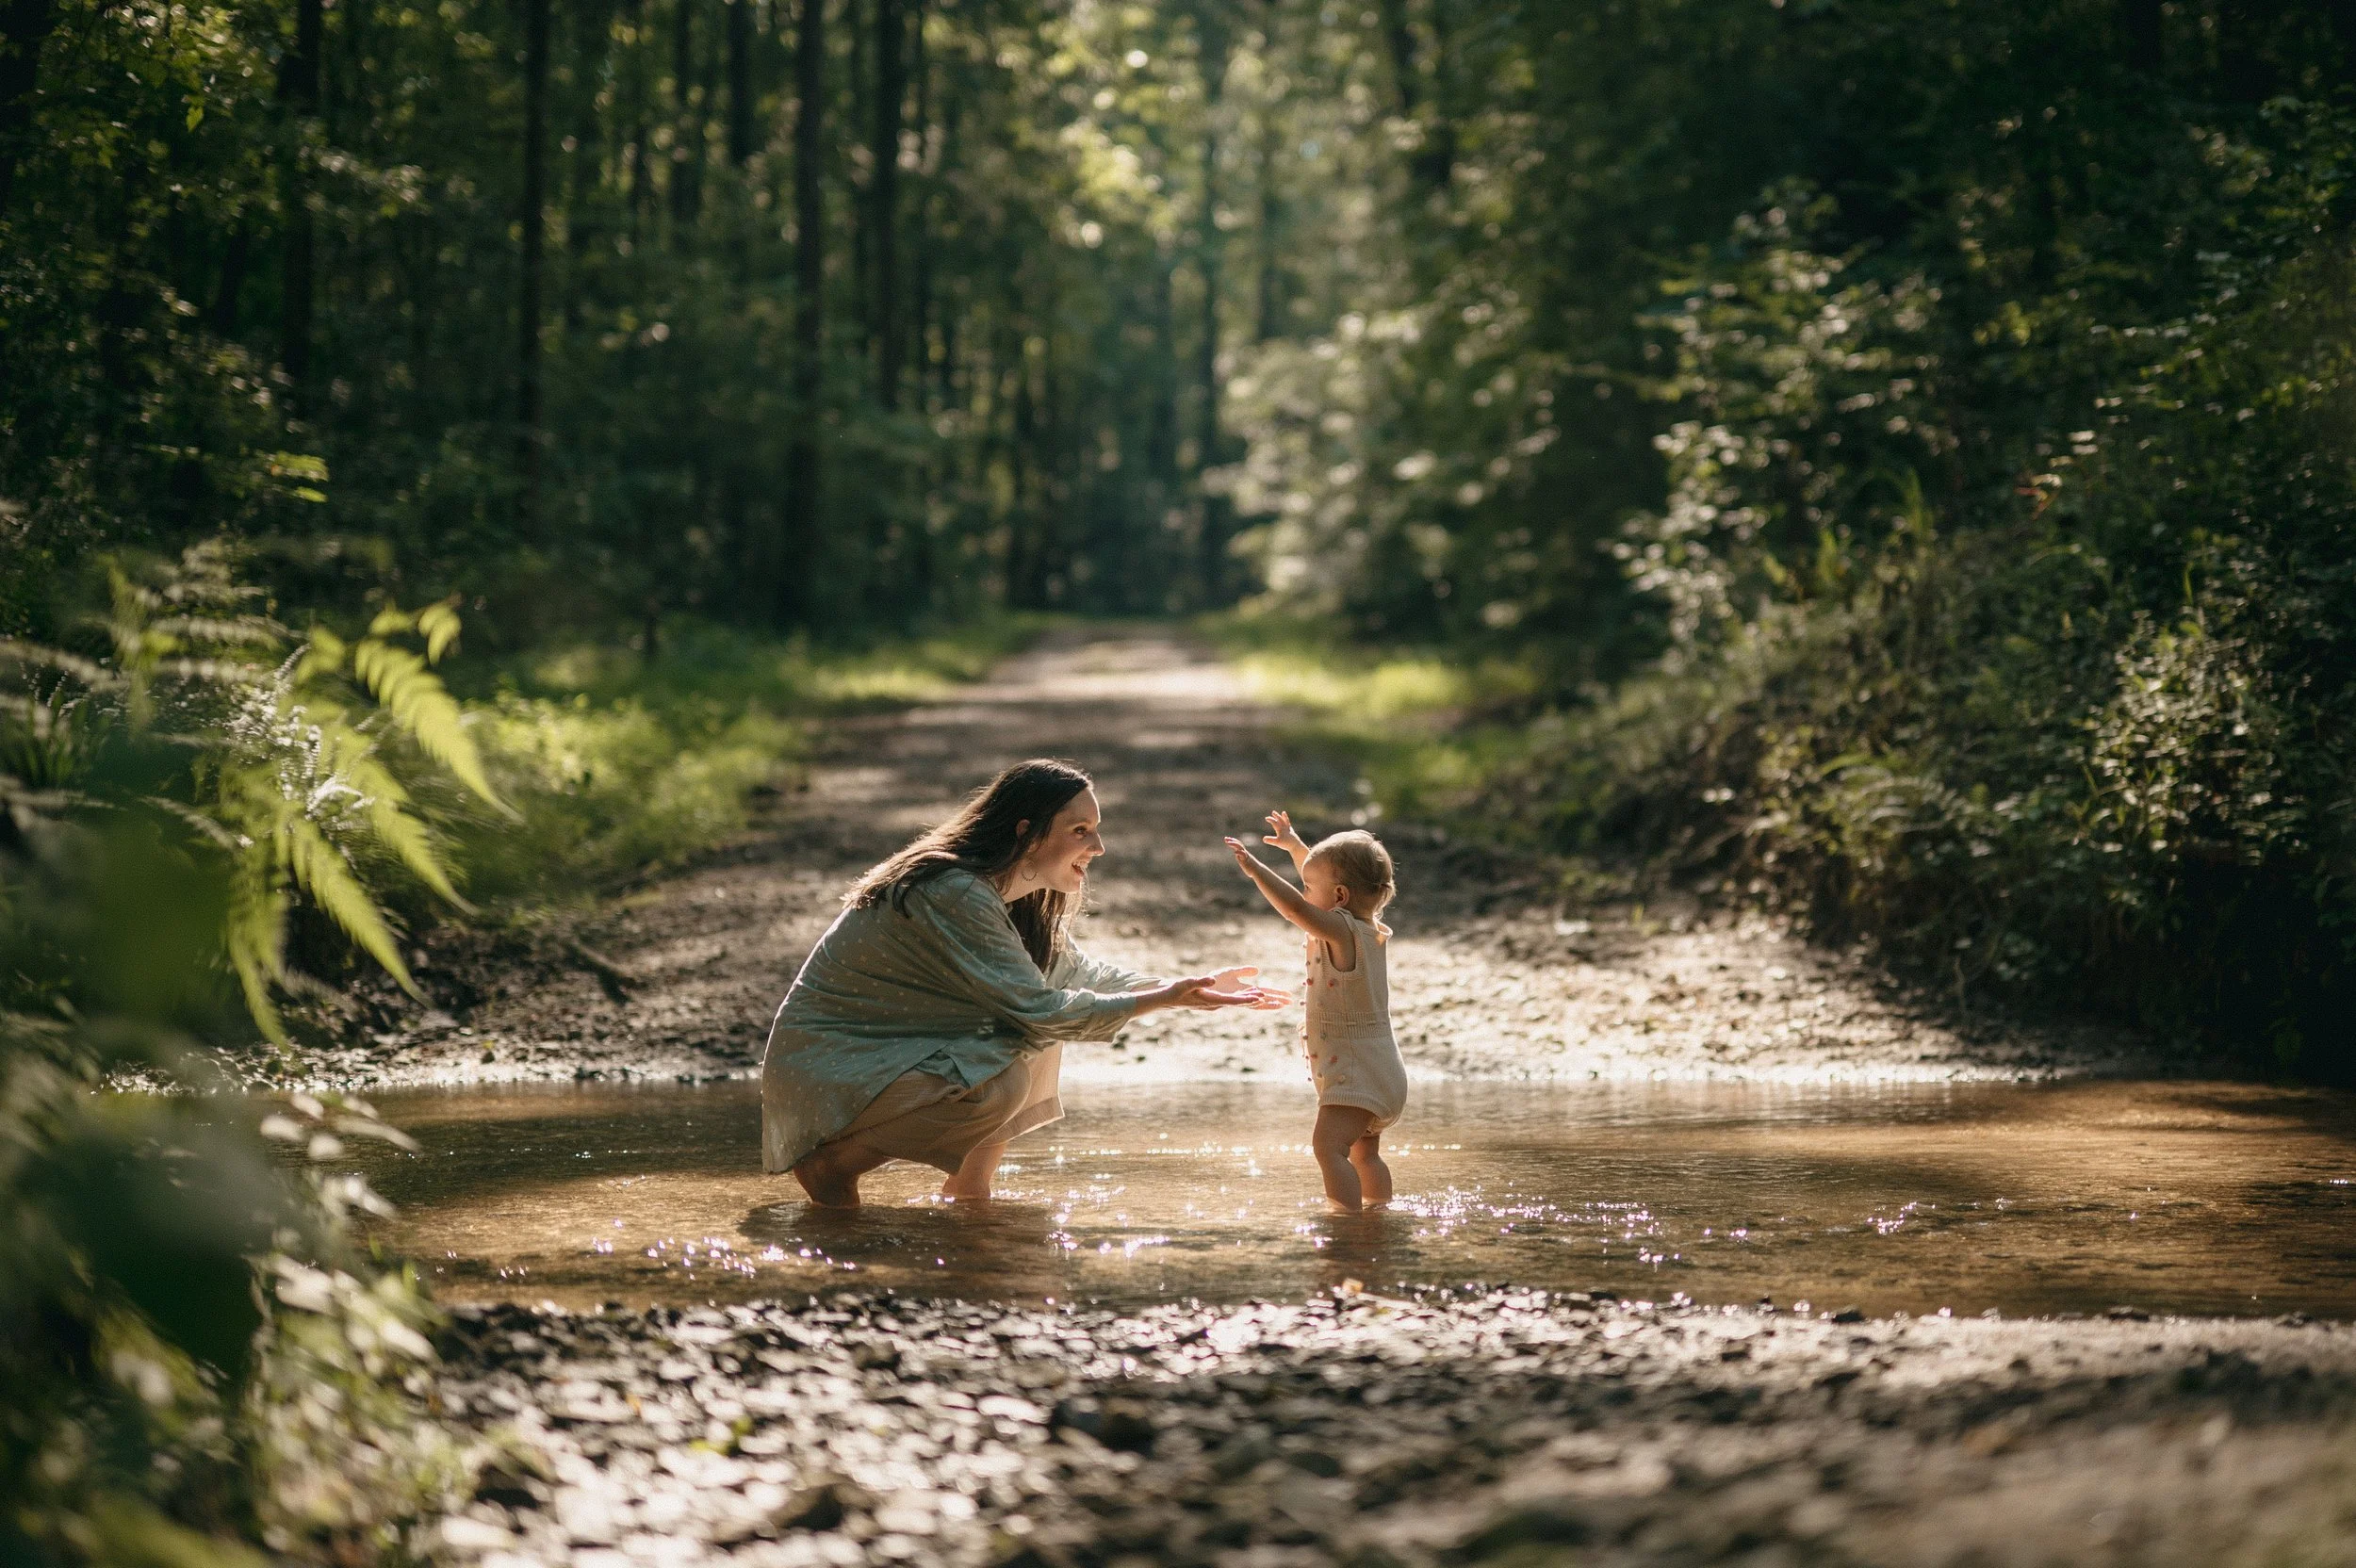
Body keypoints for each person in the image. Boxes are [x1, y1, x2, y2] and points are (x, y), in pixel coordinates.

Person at [764, 759, 1282, 1207]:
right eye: (1080, 831)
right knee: (1007, 1068)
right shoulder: (956, 891)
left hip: (887, 1052)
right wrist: (1167, 1000)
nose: (1099, 847)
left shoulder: (1018, 891)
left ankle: (970, 1194)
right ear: (1027, 833)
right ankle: (833, 1166)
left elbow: (1079, 976)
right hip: (828, 1065)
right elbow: (1044, 1009)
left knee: (1032, 1032)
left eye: (1096, 830)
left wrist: (1189, 986)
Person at [1224, 811, 1405, 1214]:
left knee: (1328, 1149)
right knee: (1364, 1155)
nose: (1305, 891)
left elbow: (1294, 907)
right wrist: (1293, 845)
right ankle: (1379, 1215)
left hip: (1356, 1073)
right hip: (1383, 1074)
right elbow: (1322, 880)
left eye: (1309, 886)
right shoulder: (1365, 927)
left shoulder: (1341, 930)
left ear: (1339, 897)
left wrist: (1257, 870)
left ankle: (1345, 1224)